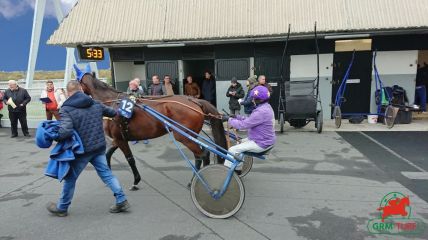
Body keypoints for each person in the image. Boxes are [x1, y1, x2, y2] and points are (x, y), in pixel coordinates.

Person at [46, 80, 129, 217]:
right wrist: (126, 104)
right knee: (107, 174)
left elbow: (65, 131)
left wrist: (53, 135)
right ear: (81, 89)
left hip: (82, 151)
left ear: (68, 92)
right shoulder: (95, 103)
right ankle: (121, 199)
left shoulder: (66, 109)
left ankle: (62, 207)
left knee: (70, 178)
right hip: (98, 147)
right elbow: (113, 113)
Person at [223, 85, 276, 158]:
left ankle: (225, 169)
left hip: (261, 142)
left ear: (260, 100)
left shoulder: (260, 112)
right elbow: (250, 120)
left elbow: (243, 125)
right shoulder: (266, 107)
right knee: (240, 142)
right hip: (262, 139)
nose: (252, 100)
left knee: (232, 150)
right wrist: (236, 117)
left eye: (254, 98)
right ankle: (238, 165)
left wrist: (228, 119)